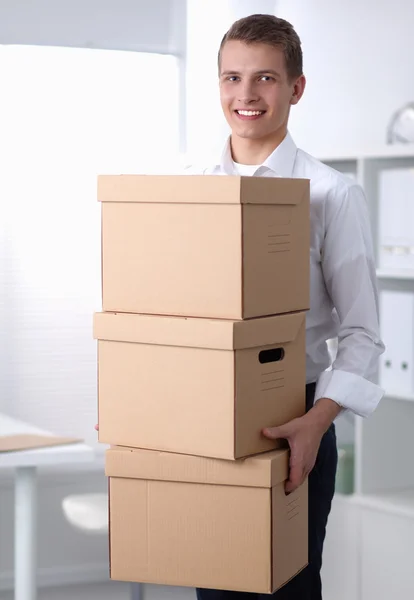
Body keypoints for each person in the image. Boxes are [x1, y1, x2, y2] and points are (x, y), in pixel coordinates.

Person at [186, 13, 385, 600]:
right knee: (215, 588)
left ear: (296, 88)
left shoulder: (332, 194)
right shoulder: (189, 185)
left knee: (282, 590)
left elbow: (362, 333)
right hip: (204, 411)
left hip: (290, 418)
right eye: (232, 78)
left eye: (265, 78)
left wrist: (315, 423)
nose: (245, 95)